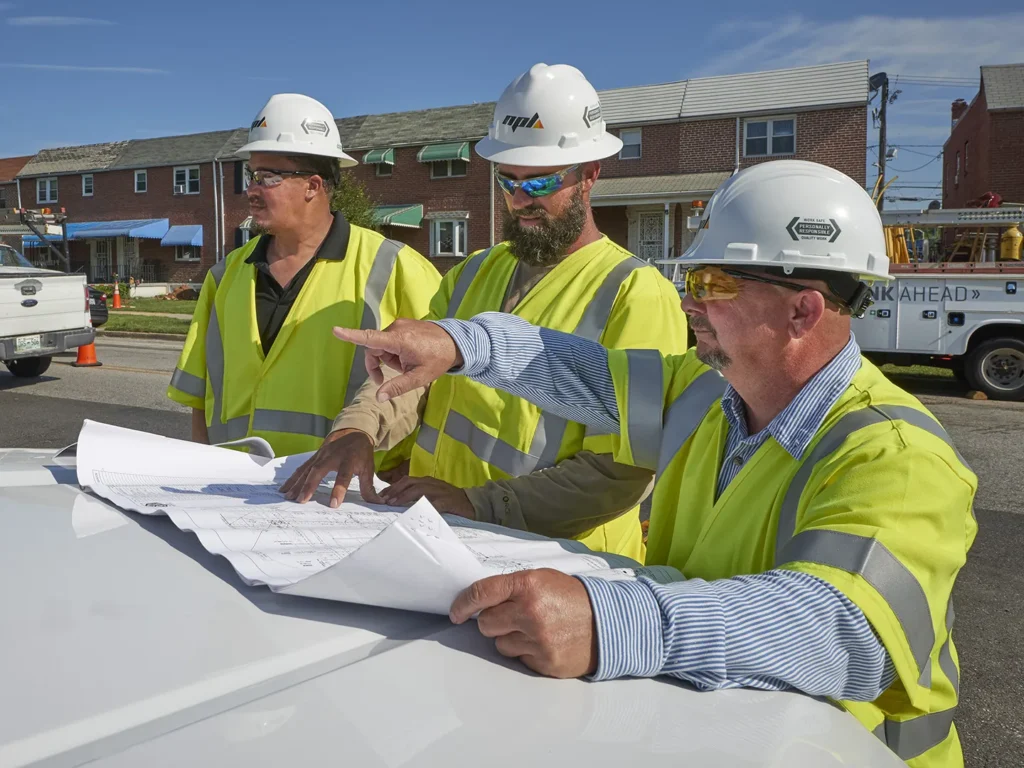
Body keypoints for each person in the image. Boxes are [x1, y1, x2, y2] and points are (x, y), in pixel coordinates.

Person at [334, 160, 977, 768]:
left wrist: (613, 622)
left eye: (713, 283)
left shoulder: (896, 455)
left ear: (802, 309)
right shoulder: (707, 393)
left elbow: (845, 631)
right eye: (690, 281)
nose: (689, 302)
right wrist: (457, 342)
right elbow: (577, 369)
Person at [283, 64, 688, 560]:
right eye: (507, 181)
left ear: (590, 175)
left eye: (539, 184)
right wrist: (359, 428)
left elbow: (622, 471)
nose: (519, 200)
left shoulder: (636, 293)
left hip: (560, 560)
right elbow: (411, 375)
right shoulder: (473, 272)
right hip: (448, 534)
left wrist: (482, 505)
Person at [167, 93, 440, 458]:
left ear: (313, 185)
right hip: (229, 493)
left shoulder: (396, 268)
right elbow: (199, 398)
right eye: (251, 175)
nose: (251, 189)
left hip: (343, 498)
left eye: (267, 177)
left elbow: (435, 390)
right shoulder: (226, 275)